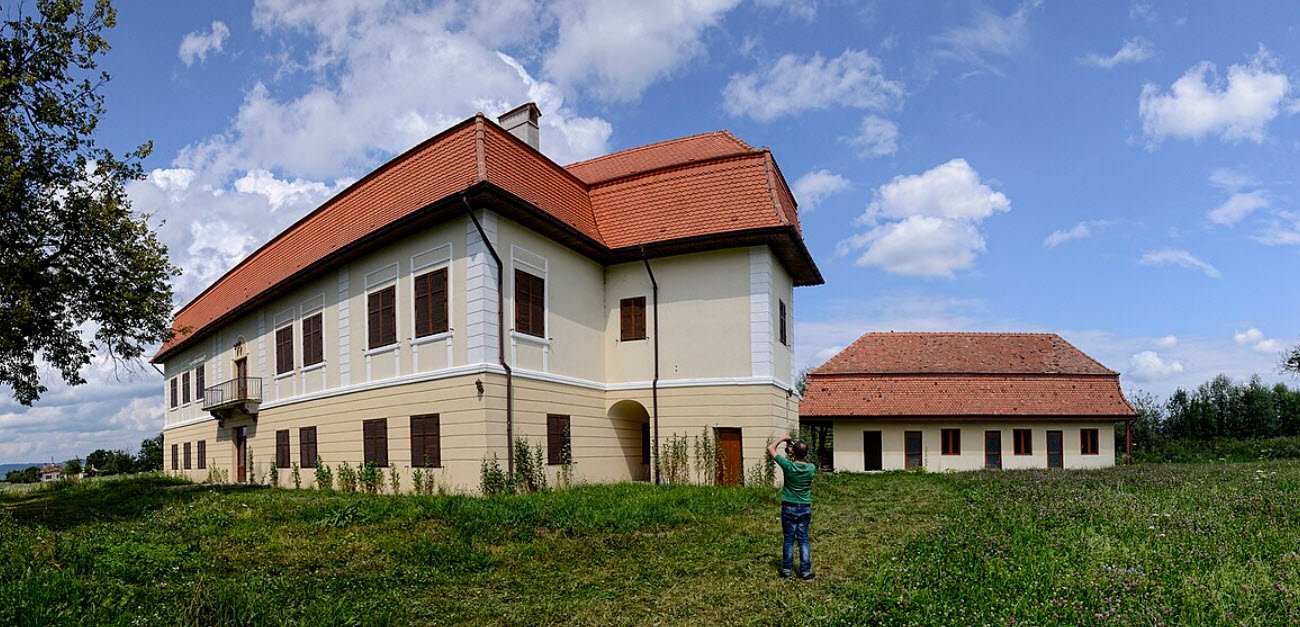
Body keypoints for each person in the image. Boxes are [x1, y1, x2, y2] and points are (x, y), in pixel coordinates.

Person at [767, 433, 816, 580]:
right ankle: (806, 571)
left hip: (788, 506)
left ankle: (787, 570)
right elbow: (802, 459)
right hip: (805, 507)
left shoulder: (788, 466)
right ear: (806, 453)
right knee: (803, 539)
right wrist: (792, 449)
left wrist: (783, 439)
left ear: (793, 452)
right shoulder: (811, 468)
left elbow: (770, 448)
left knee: (788, 539)